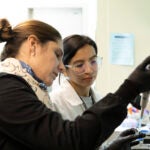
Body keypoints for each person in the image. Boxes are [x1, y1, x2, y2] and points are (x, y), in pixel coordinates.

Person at [0, 18, 149, 150]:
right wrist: (129, 88)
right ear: (33, 45)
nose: (61, 66)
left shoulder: (22, 88)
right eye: (57, 54)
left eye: (93, 61)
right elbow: (68, 141)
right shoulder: (6, 88)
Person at [50, 34, 102, 120]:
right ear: (63, 69)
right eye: (79, 65)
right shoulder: (54, 103)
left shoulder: (100, 99)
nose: (89, 70)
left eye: (93, 61)